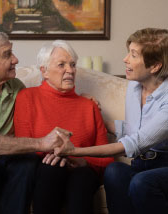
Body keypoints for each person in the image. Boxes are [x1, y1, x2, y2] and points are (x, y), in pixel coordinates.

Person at [0, 31, 72, 214]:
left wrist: (79, 99)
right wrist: (40, 143)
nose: (16, 59)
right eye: (7, 54)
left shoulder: (15, 86)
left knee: (27, 160)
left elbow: (44, 101)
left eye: (12, 52)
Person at [55, 28, 168, 214]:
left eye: (133, 55)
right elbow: (132, 130)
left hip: (164, 165)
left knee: (142, 183)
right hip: (141, 163)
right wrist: (91, 109)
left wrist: (74, 151)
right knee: (114, 170)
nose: (125, 59)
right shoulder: (134, 86)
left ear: (155, 66)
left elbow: (134, 142)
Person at [14, 40, 114, 214]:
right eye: (62, 65)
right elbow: (24, 147)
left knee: (82, 178)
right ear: (44, 71)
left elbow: (106, 160)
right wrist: (61, 157)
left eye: (73, 64)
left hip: (83, 171)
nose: (70, 70)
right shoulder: (27, 98)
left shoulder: (88, 105)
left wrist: (81, 159)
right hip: (45, 169)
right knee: (52, 169)